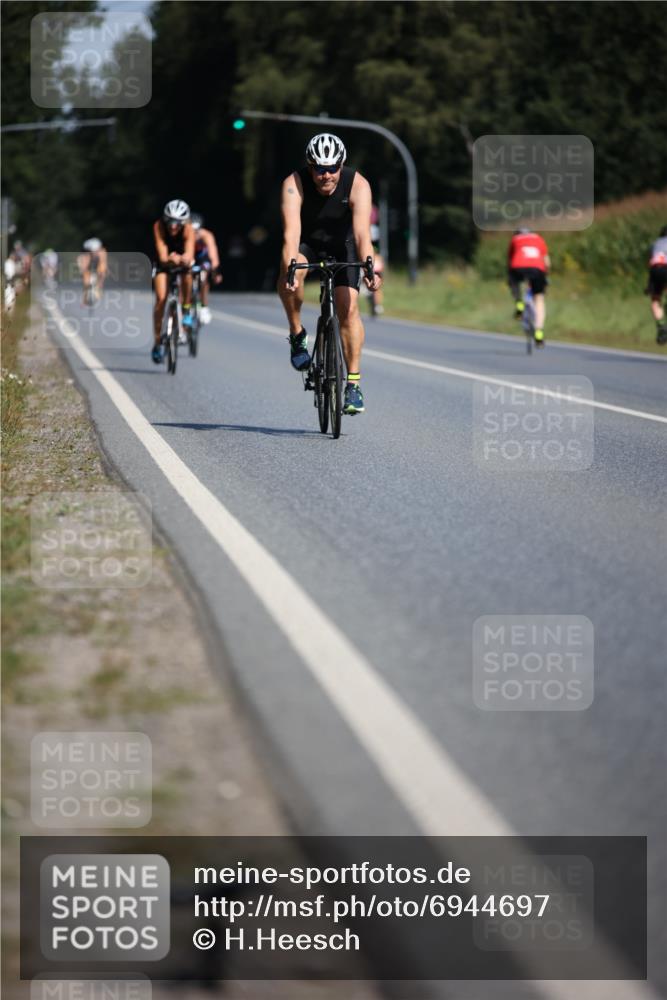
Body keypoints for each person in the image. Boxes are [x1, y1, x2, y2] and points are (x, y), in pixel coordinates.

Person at [277, 132, 382, 415]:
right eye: (319, 169)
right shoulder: (293, 184)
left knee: (349, 309)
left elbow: (362, 235)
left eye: (332, 168)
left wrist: (369, 267)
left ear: (341, 164)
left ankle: (353, 385)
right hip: (308, 243)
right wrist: (291, 269)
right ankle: (297, 333)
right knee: (290, 277)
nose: (326, 175)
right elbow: (291, 234)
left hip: (344, 245)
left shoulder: (358, 184)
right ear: (310, 166)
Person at [152, 199, 194, 363]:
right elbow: (163, 257)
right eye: (170, 221)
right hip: (163, 263)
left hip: (181, 260)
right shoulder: (159, 226)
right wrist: (171, 259)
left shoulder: (189, 229)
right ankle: (157, 343)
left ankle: (186, 309)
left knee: (188, 274)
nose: (173, 226)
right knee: (161, 299)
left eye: (177, 223)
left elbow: (189, 253)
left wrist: (183, 259)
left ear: (184, 222)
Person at [508, 227, 550, 346]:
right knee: (539, 298)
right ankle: (539, 332)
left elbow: (510, 261)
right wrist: (546, 277)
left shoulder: (515, 239)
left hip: (518, 267)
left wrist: (510, 279)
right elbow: (547, 262)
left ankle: (519, 304)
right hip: (537, 269)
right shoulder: (539, 239)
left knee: (514, 282)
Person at [191, 213, 223, 324]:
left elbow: (213, 256)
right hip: (189, 257)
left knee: (203, 276)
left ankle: (204, 306)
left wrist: (216, 272)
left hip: (202, 258)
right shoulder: (183, 236)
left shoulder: (206, 235)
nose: (194, 234)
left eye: (196, 231)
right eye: (192, 231)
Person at [646, 225, 667, 345]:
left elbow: (651, 262)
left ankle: (661, 327)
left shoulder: (656, 243)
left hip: (656, 269)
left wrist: (649, 284)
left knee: (655, 299)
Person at [77, 238, 107, 303]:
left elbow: (103, 264)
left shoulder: (102, 252)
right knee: (86, 281)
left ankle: (99, 288)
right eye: (90, 251)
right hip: (87, 266)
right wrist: (82, 270)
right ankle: (85, 296)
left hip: (97, 265)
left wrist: (101, 275)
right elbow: (82, 264)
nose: (93, 253)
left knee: (102, 273)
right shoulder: (84, 254)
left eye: (95, 251)